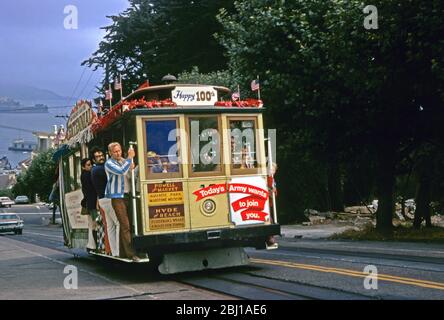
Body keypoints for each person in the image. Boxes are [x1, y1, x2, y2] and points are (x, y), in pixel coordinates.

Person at [105, 142, 139, 261]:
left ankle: (122, 253)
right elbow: (121, 171)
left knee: (126, 225)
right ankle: (131, 254)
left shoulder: (124, 160)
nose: (118, 153)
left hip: (128, 195)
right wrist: (130, 158)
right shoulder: (109, 163)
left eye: (119, 150)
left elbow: (130, 175)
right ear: (110, 153)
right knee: (125, 225)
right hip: (117, 197)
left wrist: (133, 167)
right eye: (115, 151)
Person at [91, 147, 119, 257]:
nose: (101, 157)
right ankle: (118, 250)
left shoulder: (95, 169)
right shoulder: (100, 169)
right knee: (118, 223)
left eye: (101, 155)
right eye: (97, 157)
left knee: (110, 226)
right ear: (94, 160)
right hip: (108, 199)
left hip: (103, 200)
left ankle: (114, 251)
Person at [80, 158, 98, 251]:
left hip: (89, 203)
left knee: (91, 224)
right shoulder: (87, 175)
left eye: (91, 164)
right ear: (83, 167)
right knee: (95, 223)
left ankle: (91, 245)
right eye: (88, 165)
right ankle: (95, 245)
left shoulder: (83, 175)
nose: (91, 166)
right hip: (92, 203)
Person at [266, 162, 278, 247]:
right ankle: (270, 238)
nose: (271, 171)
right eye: (270, 169)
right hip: (265, 202)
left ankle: (270, 237)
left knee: (270, 220)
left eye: (273, 170)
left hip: (268, 202)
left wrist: (274, 191)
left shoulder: (272, 179)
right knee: (269, 220)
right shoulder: (267, 178)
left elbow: (274, 191)